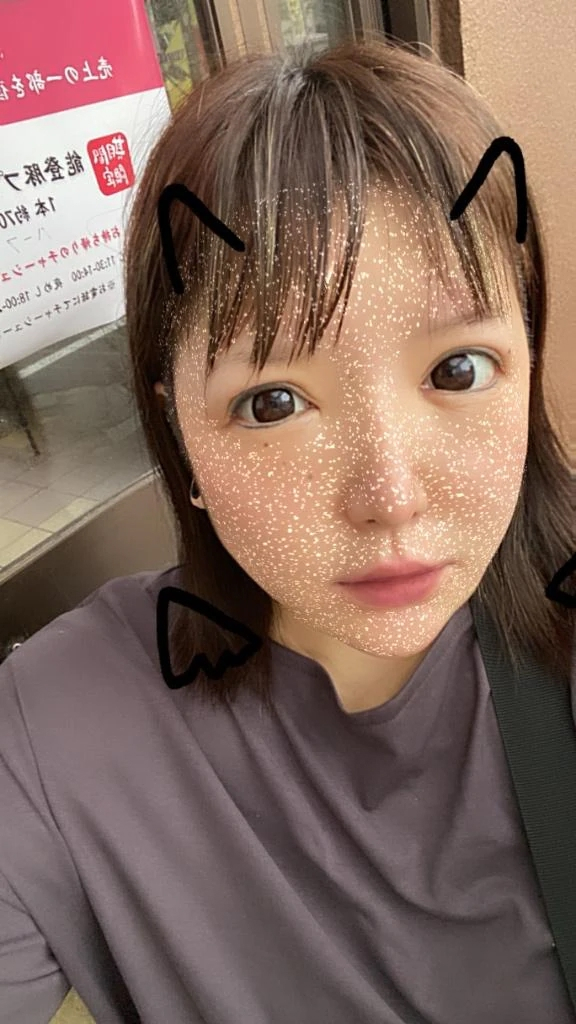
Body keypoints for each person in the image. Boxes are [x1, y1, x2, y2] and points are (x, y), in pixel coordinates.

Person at [0, 33, 574, 1024]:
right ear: (180, 436)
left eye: (458, 370)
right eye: (273, 402)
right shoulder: (59, 733)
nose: (390, 496)